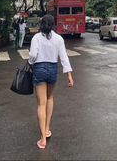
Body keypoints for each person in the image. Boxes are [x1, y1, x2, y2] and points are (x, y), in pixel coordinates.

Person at [28, 14, 74, 150]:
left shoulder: (36, 37)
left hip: (39, 68)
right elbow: (64, 57)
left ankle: (42, 139)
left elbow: (32, 55)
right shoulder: (58, 38)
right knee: (50, 97)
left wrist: (30, 63)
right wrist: (69, 75)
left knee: (41, 104)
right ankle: (47, 128)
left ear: (42, 24)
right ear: (53, 24)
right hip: (53, 69)